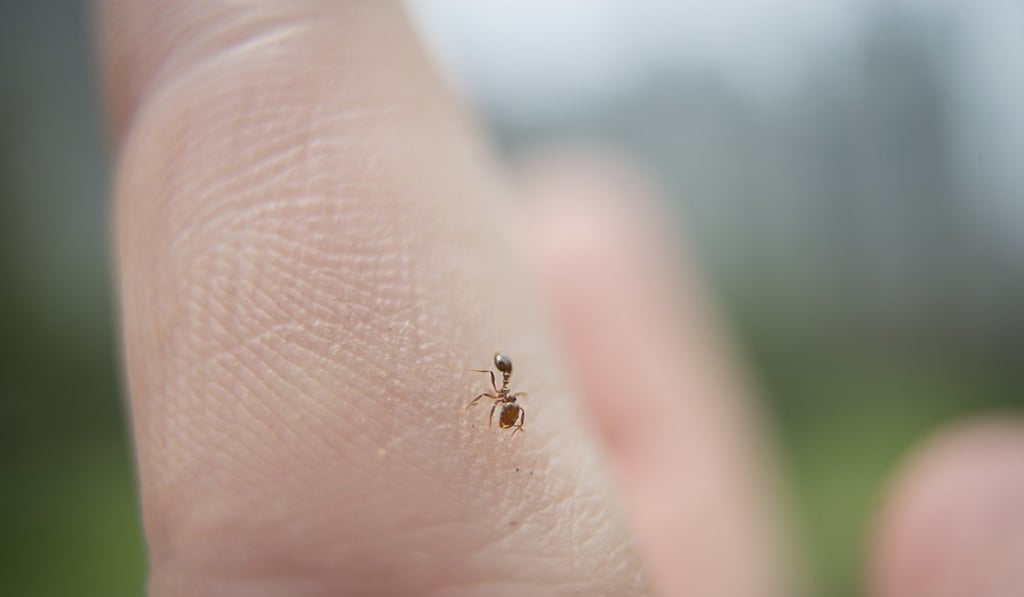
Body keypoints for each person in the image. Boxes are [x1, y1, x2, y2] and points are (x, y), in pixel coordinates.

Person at [99, 2, 1024, 595]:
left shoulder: (501, 397)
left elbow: (498, 404)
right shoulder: (497, 395)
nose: (498, 393)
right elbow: (495, 402)